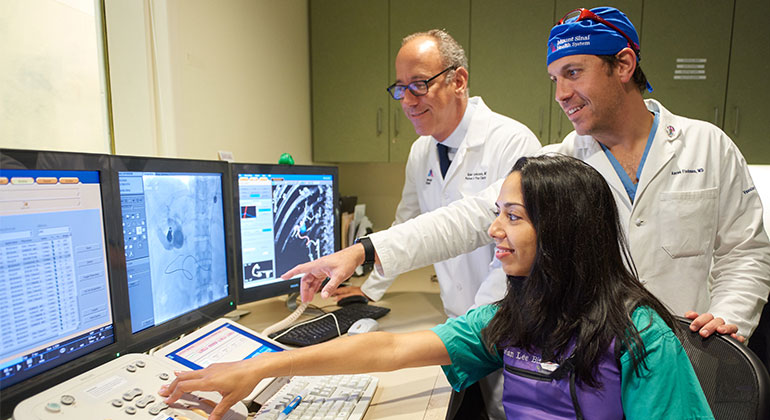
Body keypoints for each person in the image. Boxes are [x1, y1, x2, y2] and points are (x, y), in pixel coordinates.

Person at [289, 6, 770, 341]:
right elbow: (473, 217)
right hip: (596, 359)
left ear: (623, 64)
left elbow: (745, 250)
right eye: (555, 78)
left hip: (690, 349)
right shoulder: (560, 162)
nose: (560, 93)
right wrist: (365, 249)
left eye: (574, 73)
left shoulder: (709, 145)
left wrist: (729, 321)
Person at [159, 155, 714, 420]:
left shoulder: (640, 337)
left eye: (513, 217)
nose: (494, 229)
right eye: (497, 212)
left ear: (563, 234)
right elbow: (391, 345)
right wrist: (263, 366)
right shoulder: (516, 315)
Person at [342, 29, 540, 419]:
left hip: (507, 320)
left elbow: (514, 252)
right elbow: (408, 223)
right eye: (400, 89)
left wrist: (473, 324)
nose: (408, 101)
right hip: (457, 319)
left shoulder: (513, 142)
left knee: (508, 412)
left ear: (458, 80)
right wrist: (371, 289)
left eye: (419, 85)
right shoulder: (421, 150)